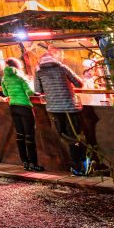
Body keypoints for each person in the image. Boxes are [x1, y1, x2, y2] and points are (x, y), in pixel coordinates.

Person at [34, 46, 88, 175]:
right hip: (70, 107)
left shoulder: (39, 72)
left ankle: (76, 165)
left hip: (53, 109)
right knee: (74, 136)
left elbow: (37, 90)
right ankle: (79, 165)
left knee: (65, 136)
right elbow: (79, 84)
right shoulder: (63, 68)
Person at [1, 57, 44, 172]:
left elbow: (5, 93)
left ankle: (25, 163)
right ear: (17, 66)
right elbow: (29, 92)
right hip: (24, 107)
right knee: (29, 136)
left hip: (13, 107)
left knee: (20, 135)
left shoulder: (4, 78)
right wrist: (35, 92)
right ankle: (33, 164)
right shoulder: (20, 77)